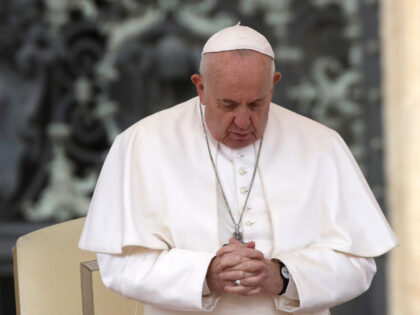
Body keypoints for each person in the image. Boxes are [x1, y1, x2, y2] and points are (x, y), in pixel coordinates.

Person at [79, 24, 398, 315]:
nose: (243, 122)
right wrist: (205, 275)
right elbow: (117, 267)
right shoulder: (141, 143)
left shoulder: (321, 145)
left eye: (257, 104)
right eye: (228, 105)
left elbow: (359, 266)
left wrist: (283, 276)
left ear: (273, 86)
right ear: (200, 88)